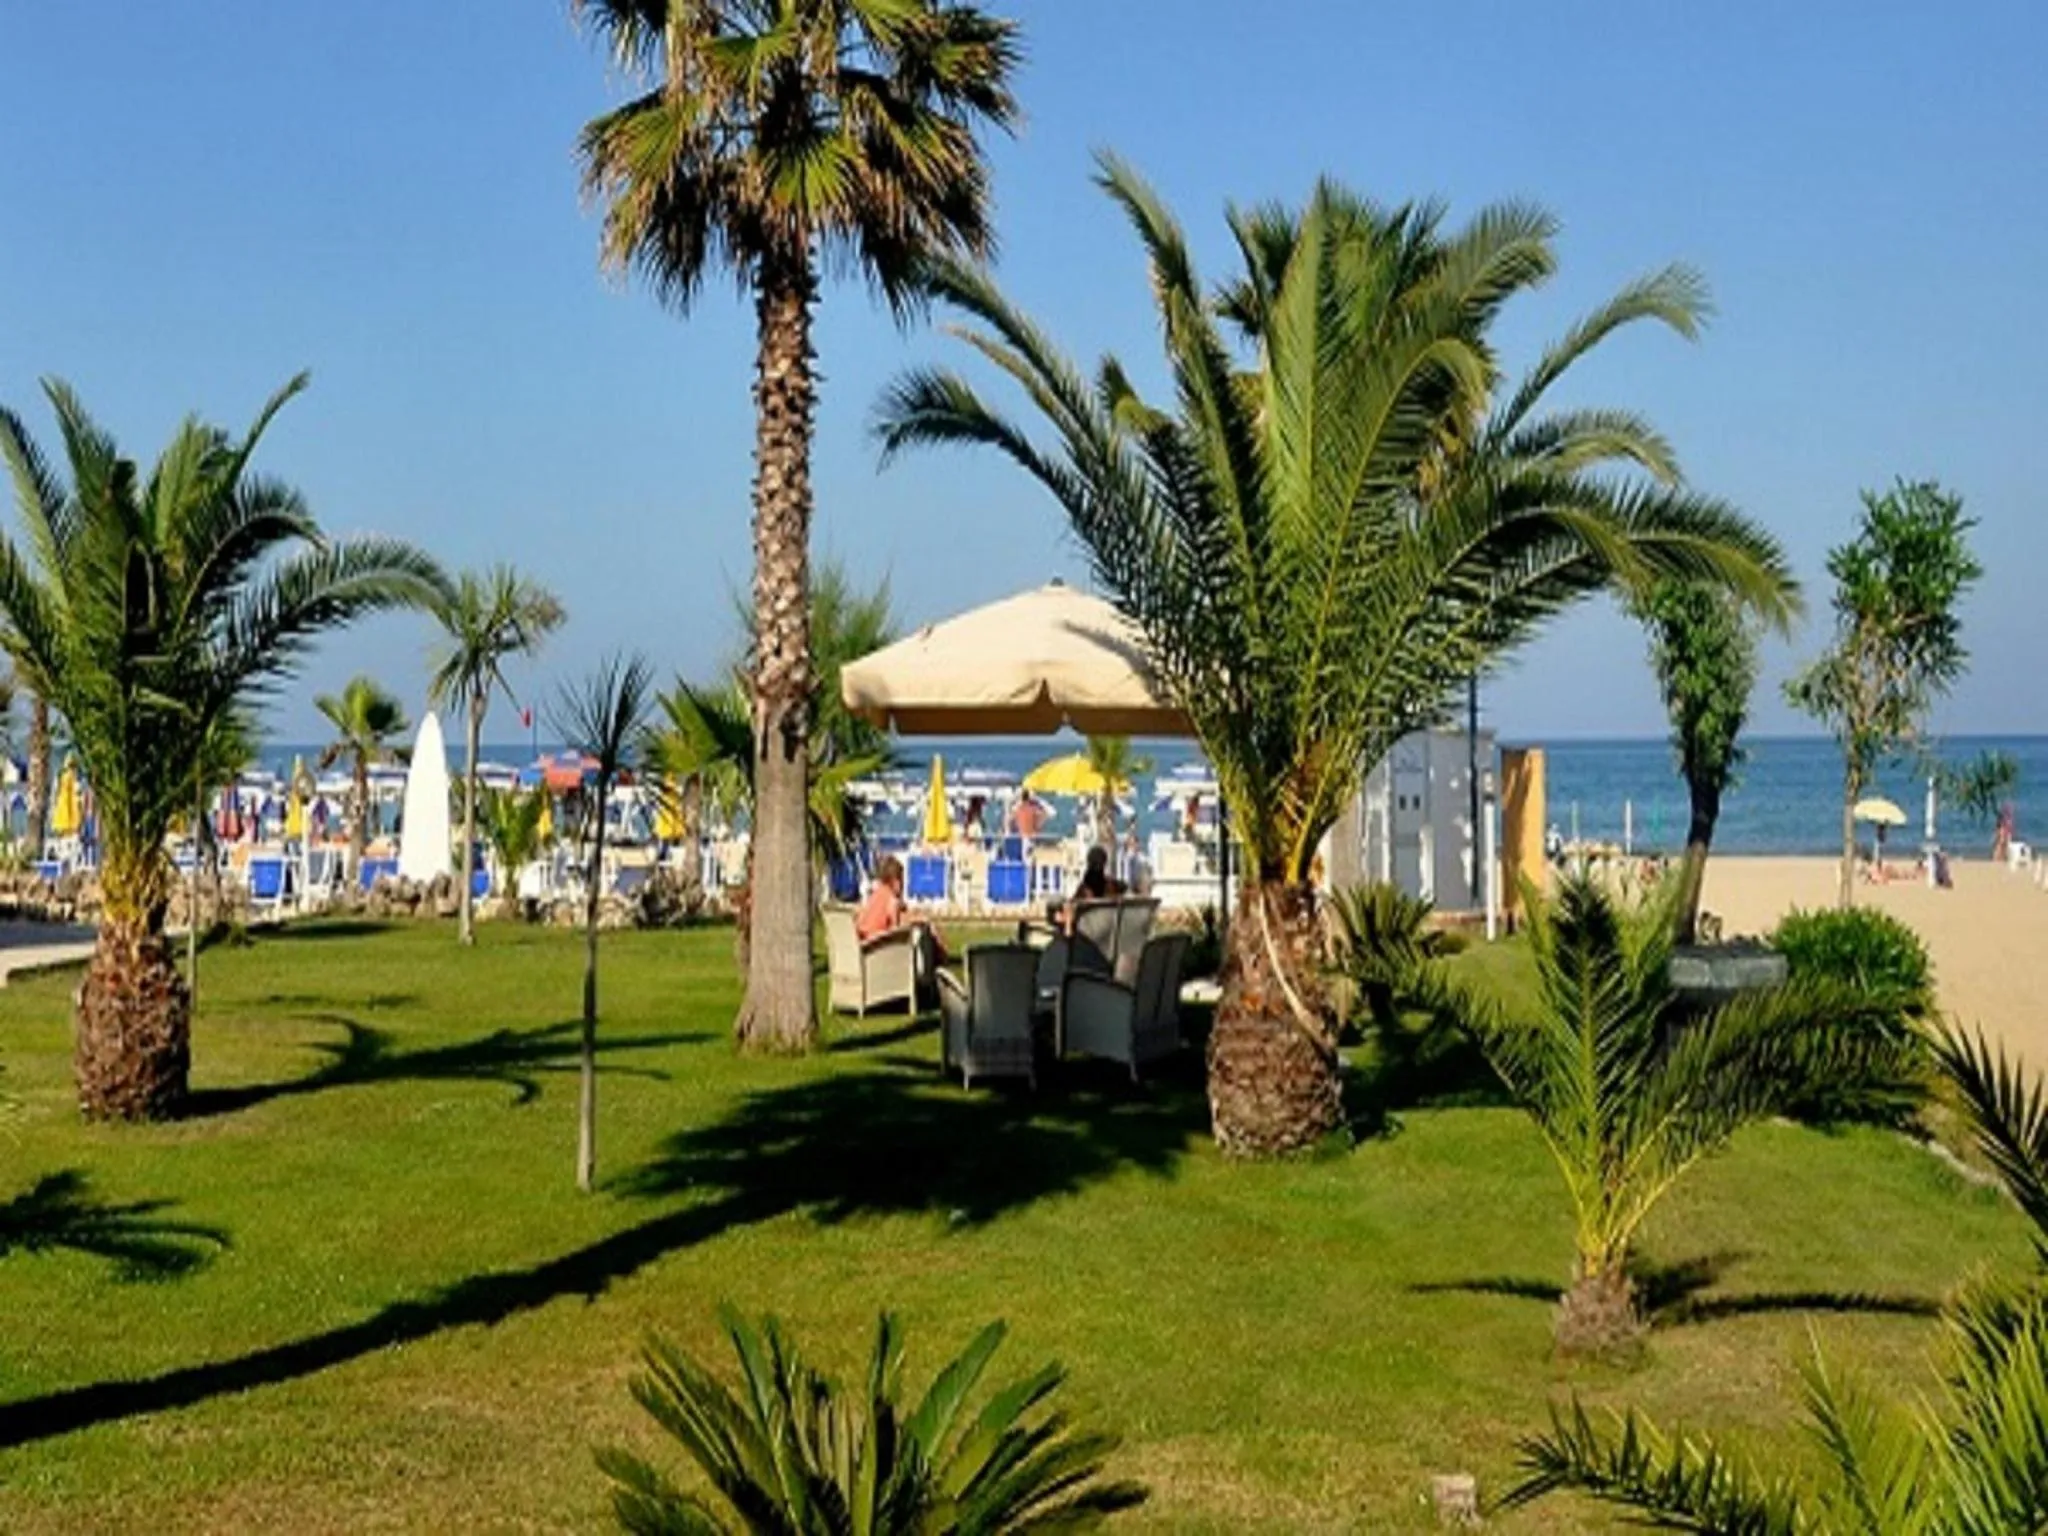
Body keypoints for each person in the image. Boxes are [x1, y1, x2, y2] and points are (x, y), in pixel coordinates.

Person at [856, 854, 949, 974]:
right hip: (880, 953)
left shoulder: (873, 897)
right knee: (926, 933)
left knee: (924, 925)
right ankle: (937, 969)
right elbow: (896, 932)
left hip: (865, 950)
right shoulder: (891, 900)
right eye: (902, 880)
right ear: (896, 882)